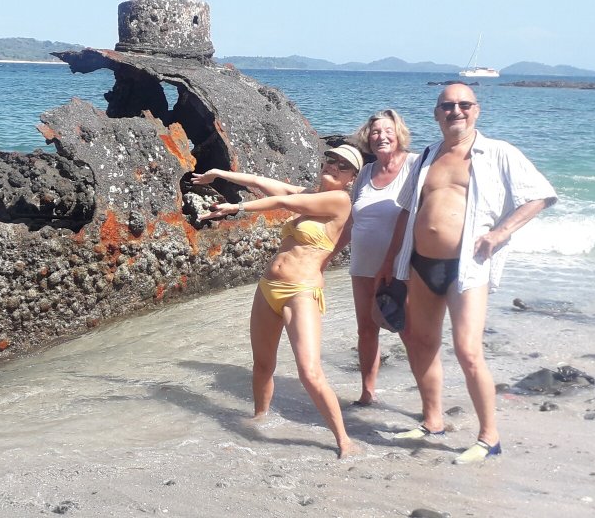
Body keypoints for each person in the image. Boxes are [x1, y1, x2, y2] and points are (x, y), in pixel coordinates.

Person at [377, 83, 557, 464]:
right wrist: (391, 261)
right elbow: (408, 211)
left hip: (466, 268)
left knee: (468, 350)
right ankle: (432, 421)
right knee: (419, 341)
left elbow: (540, 195)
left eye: (463, 105)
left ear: (476, 110)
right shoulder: (427, 155)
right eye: (447, 106)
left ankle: (489, 437)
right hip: (420, 264)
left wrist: (501, 232)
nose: (455, 111)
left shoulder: (497, 152)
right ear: (436, 112)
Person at [192, 144, 365, 459]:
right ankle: (260, 419)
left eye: (344, 165)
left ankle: (344, 441)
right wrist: (219, 173)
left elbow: (284, 200)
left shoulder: (340, 201)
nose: (334, 166)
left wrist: (238, 209)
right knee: (262, 365)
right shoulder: (309, 194)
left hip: (301, 291)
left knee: (309, 372)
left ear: (352, 178)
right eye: (331, 159)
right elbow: (260, 182)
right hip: (268, 287)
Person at [341, 109, 420, 406]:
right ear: (367, 137)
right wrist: (324, 257)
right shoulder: (365, 172)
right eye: (375, 132)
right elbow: (351, 222)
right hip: (362, 263)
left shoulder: (414, 165)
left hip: (399, 267)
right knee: (366, 329)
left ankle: (428, 401)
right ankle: (367, 393)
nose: (381, 137)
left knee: (407, 331)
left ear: (399, 134)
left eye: (388, 131)